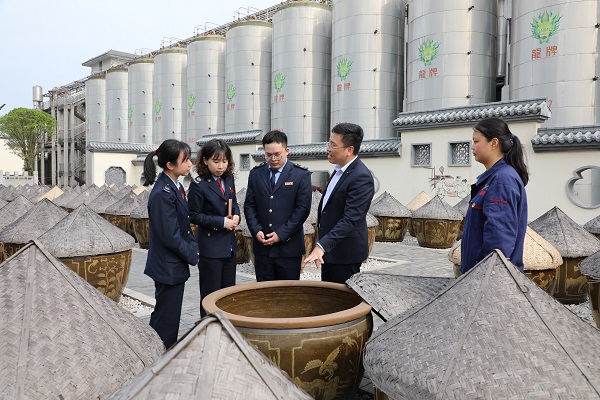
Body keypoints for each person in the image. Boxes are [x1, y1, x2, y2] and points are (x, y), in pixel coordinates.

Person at [142, 139, 199, 349]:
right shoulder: (162, 193)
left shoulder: (174, 186)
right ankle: (159, 356)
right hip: (168, 265)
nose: (189, 164)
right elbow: (170, 235)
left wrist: (194, 246)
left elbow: (183, 225)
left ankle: (158, 352)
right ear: (170, 165)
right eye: (185, 160)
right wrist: (193, 254)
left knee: (168, 314)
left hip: (173, 263)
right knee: (166, 318)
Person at [303, 122, 375, 283]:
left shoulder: (361, 177)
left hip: (345, 254)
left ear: (349, 150)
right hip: (330, 252)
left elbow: (350, 219)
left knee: (345, 303)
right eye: (329, 143)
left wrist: (321, 246)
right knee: (330, 300)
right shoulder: (338, 171)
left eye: (333, 145)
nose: (328, 148)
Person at [460, 117, 529, 274]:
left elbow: (499, 239)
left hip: (489, 278)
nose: (472, 147)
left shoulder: (502, 180)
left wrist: (482, 274)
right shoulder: (494, 178)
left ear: (494, 143)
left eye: (476, 141)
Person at [244, 130, 312, 281]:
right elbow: (249, 205)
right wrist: (256, 230)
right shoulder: (256, 174)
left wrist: (281, 234)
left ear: (287, 151)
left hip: (289, 249)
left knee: (288, 296)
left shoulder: (300, 175)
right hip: (263, 248)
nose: (273, 159)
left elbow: (302, 209)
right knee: (264, 294)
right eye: (268, 155)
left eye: (277, 154)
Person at [188, 139, 240, 317]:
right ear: (205, 161)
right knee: (210, 295)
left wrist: (237, 215)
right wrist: (222, 222)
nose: (221, 166)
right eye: (216, 161)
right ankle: (207, 330)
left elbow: (233, 202)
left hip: (229, 247)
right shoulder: (198, 184)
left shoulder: (228, 178)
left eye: (224, 161)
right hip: (210, 248)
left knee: (228, 295)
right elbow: (194, 215)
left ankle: (226, 331)